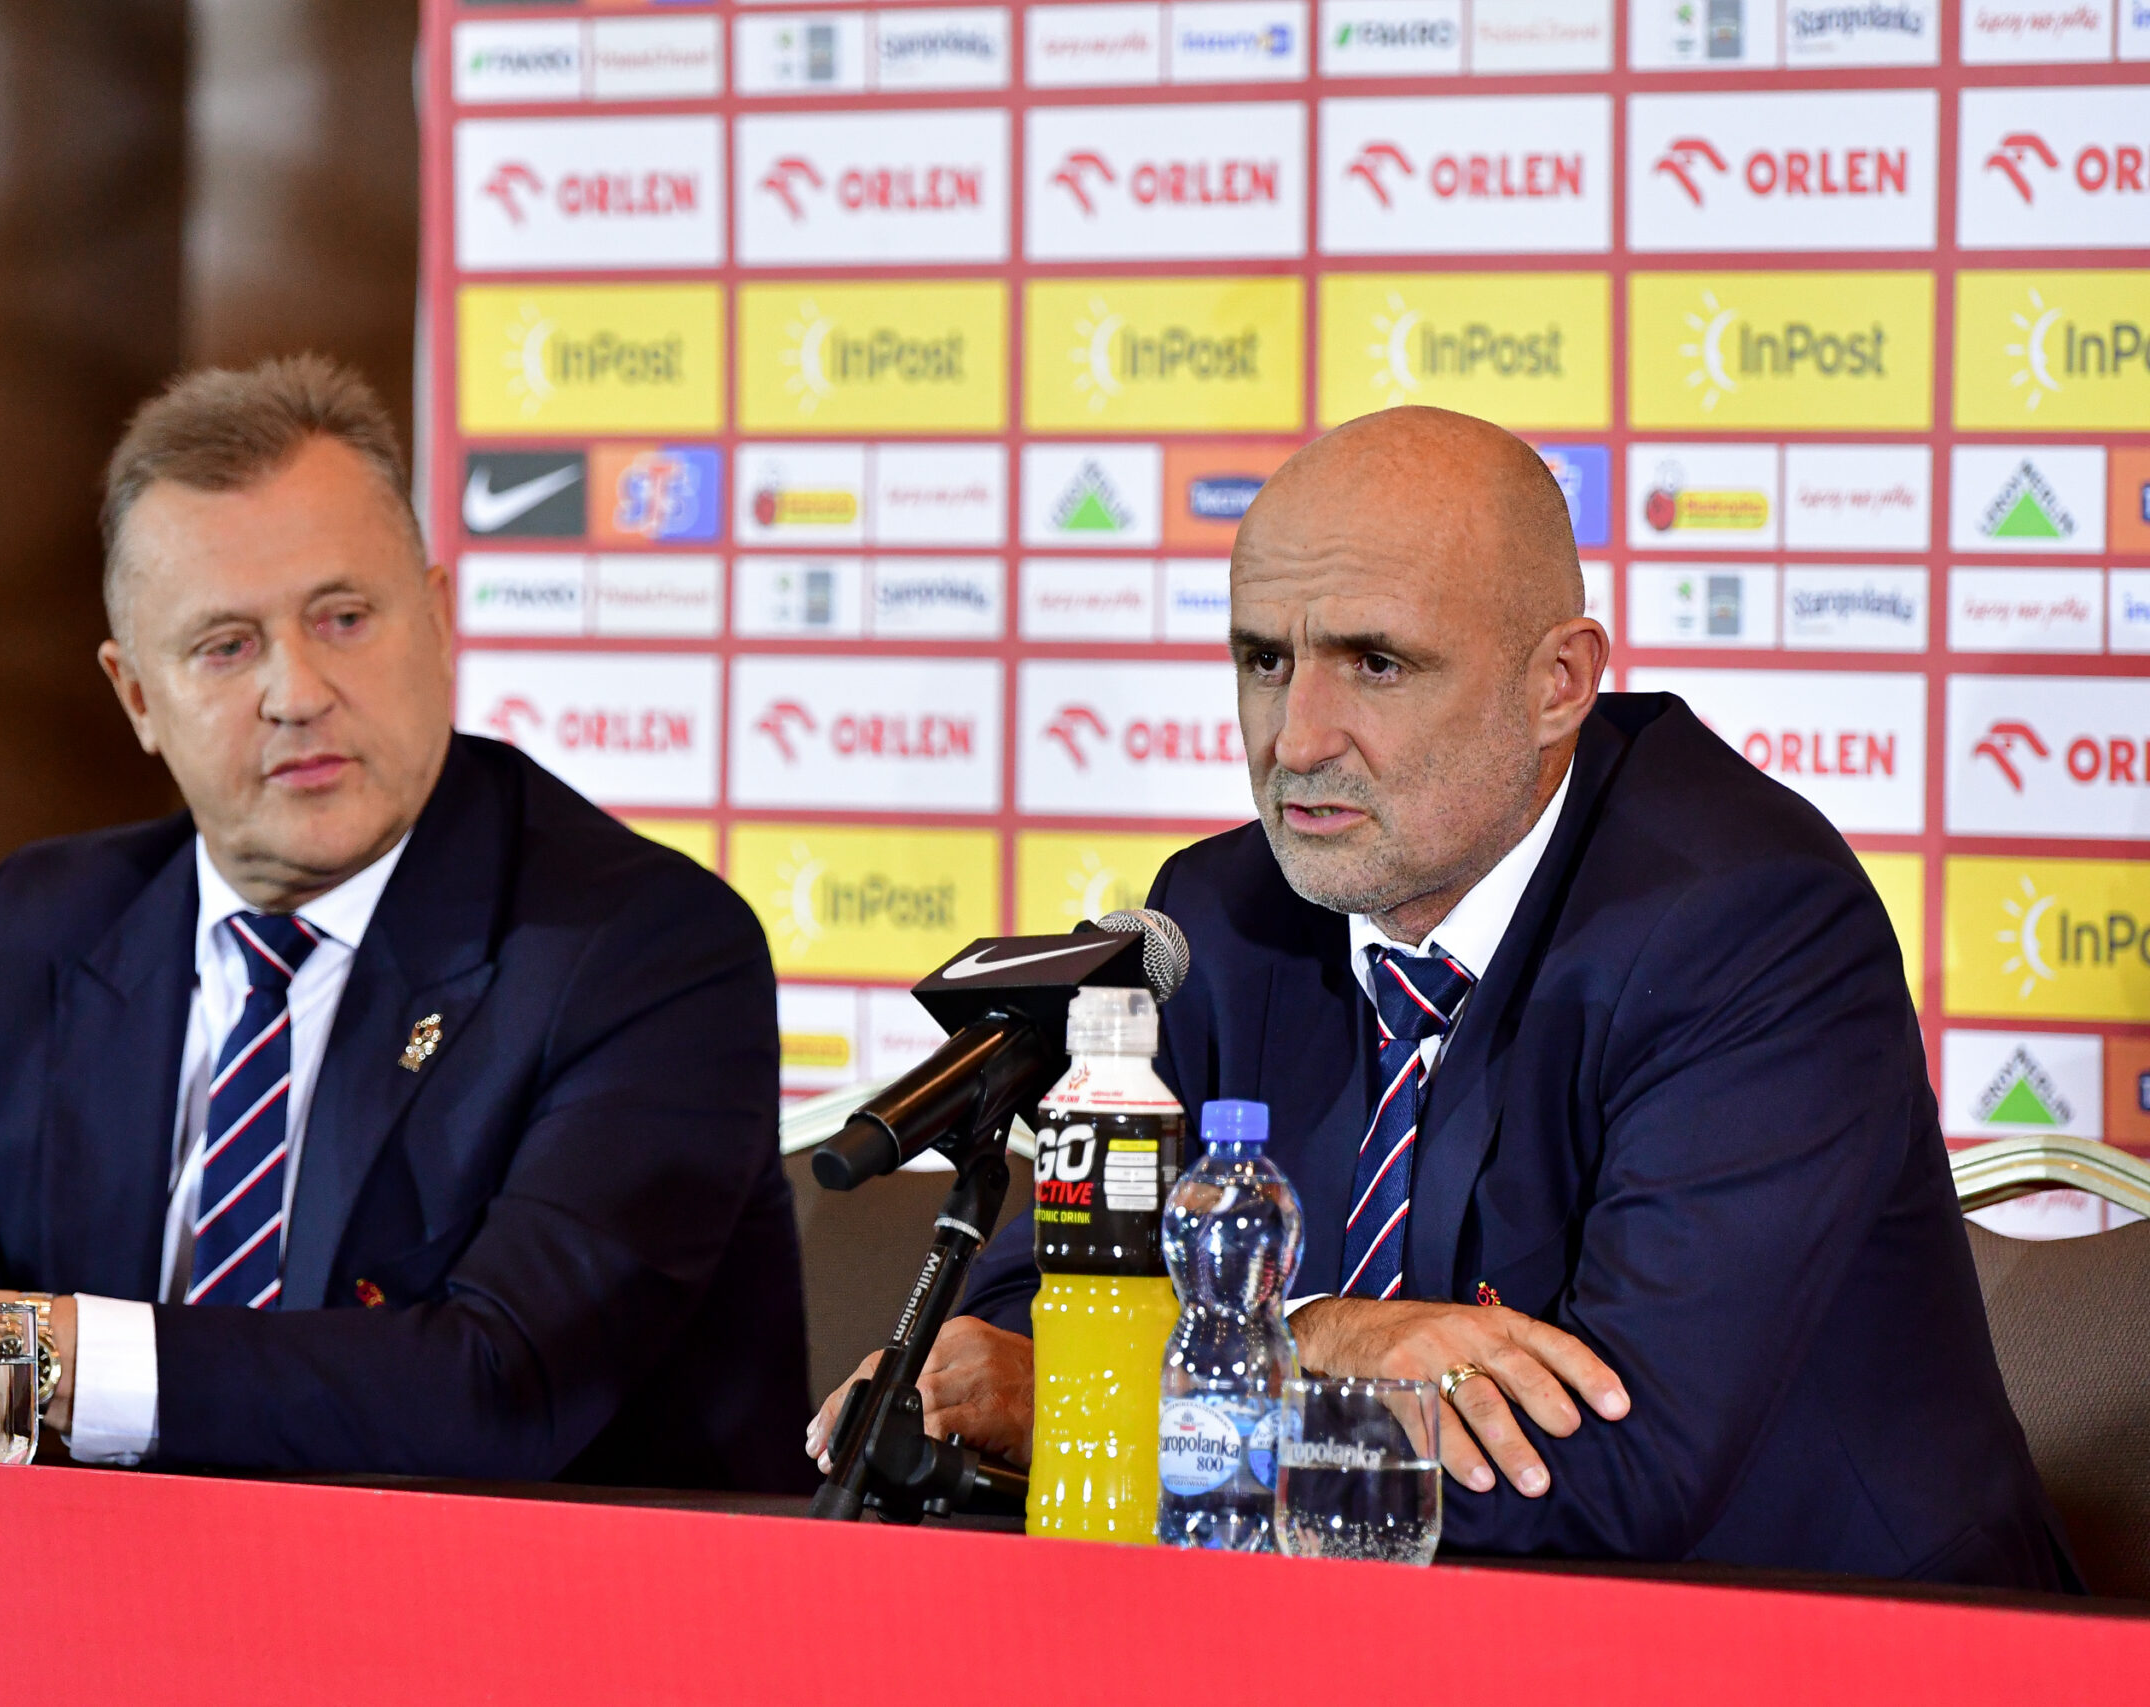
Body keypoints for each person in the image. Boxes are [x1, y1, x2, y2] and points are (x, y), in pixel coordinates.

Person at [812, 406, 2074, 1587]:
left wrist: (1206, 1368)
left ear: (1557, 684)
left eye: (1376, 662)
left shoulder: (1745, 926)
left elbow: (1601, 1474)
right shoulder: (1218, 917)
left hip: (1829, 1644)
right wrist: (1321, 1336)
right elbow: (1025, 1322)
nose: (1295, 739)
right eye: (1264, 658)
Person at [0, 355, 812, 1491]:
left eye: (344, 617)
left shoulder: (643, 952)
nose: (299, 690)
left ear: (437, 617)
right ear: (137, 697)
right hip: (80, 1626)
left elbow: (499, 1385)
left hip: (518, 1638)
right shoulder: (42, 929)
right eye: (226, 646)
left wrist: (65, 1359)